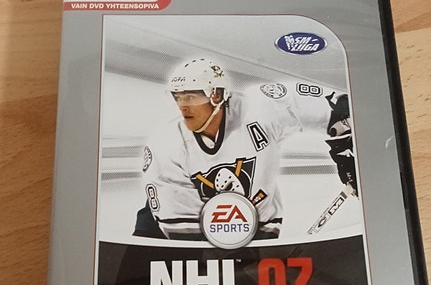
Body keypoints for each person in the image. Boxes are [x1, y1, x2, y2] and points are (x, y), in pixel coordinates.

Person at [133, 58, 357, 242]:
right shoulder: (166, 146)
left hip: (255, 223)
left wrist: (346, 152)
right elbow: (184, 238)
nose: (183, 107)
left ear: (216, 95)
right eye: (178, 97)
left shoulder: (261, 108)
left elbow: (339, 108)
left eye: (191, 97)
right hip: (167, 230)